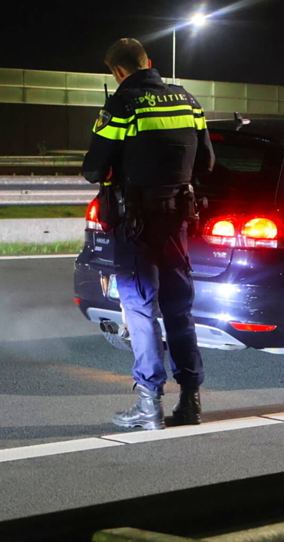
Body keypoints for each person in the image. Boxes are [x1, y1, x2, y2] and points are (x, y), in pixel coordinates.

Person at [82, 38, 215, 430]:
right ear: (149, 62)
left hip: (134, 224)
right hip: (176, 222)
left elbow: (93, 168)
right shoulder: (188, 101)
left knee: (140, 310)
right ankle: (190, 402)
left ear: (117, 71)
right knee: (178, 308)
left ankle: (148, 404)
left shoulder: (121, 105)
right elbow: (206, 162)